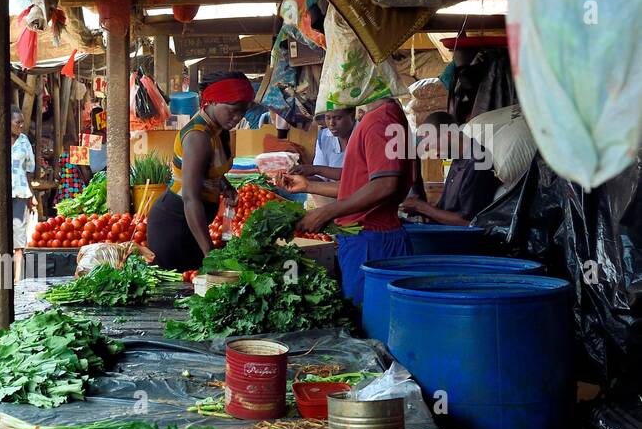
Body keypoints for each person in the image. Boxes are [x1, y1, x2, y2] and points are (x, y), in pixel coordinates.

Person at [280, 95, 415, 306]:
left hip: (370, 239)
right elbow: (360, 183)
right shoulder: (383, 116)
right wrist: (309, 185)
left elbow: (385, 184)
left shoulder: (380, 119)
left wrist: (327, 212)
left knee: (366, 316)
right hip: (366, 237)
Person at [146, 72, 252, 271]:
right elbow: (190, 198)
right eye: (233, 109)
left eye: (243, 111)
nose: (238, 117)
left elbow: (209, 169)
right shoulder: (198, 137)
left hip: (191, 224)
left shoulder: (218, 130)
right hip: (175, 224)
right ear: (212, 101)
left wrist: (224, 185)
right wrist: (209, 252)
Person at [399, 111, 500, 225]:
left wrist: (420, 207)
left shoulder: (477, 161)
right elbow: (444, 209)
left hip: (461, 239)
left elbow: (468, 222)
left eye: (431, 147)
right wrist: (416, 206)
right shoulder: (458, 160)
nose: (435, 155)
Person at [10, 107, 36, 251]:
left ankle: (18, 272)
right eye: (17, 122)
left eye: (22, 122)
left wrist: (31, 194)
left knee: (19, 235)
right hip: (1, 193)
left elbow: (29, 169)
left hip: (20, 192)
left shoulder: (24, 141)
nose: (21, 125)